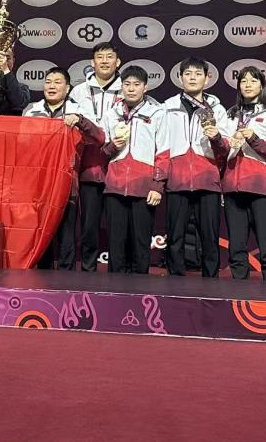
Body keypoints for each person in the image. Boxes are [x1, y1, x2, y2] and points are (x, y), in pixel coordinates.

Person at [23, 67, 103, 270]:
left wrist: (80, 121)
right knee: (42, 236)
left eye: (57, 82)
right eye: (48, 82)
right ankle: (42, 277)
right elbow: (23, 144)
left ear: (67, 88)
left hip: (67, 184)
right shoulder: (32, 112)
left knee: (67, 237)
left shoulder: (79, 111)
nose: (52, 86)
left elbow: (99, 137)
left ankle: (66, 280)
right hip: (39, 185)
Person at [162, 57, 230, 278]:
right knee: (175, 236)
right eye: (188, 74)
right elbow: (160, 144)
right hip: (177, 178)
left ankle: (211, 281)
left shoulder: (217, 109)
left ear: (206, 78)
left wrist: (216, 137)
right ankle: (175, 280)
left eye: (198, 74)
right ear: (180, 77)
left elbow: (226, 148)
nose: (192, 78)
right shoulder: (167, 107)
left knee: (209, 236)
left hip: (207, 179)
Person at [99, 66, 167, 274]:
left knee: (140, 244)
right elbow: (103, 151)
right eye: (127, 84)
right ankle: (114, 288)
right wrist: (113, 146)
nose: (131, 89)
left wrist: (157, 186)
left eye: (136, 84)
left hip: (144, 187)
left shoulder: (157, 113)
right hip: (115, 186)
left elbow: (163, 152)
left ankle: (140, 287)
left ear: (145, 87)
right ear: (121, 87)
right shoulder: (111, 114)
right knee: (116, 244)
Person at [67, 42, 123, 271]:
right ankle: (88, 270)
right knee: (89, 226)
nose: (105, 61)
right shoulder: (78, 92)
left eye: (109, 57)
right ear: (92, 62)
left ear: (118, 62)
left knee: (118, 227)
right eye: (100, 57)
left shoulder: (127, 89)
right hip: (90, 167)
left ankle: (120, 272)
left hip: (119, 166)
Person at [222, 67, 266, 281]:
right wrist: (224, 142)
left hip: (260, 187)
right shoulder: (230, 114)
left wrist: (254, 138)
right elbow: (221, 151)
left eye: (253, 80)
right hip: (232, 186)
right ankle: (239, 289)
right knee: (236, 246)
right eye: (243, 81)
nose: (247, 84)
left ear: (262, 85)